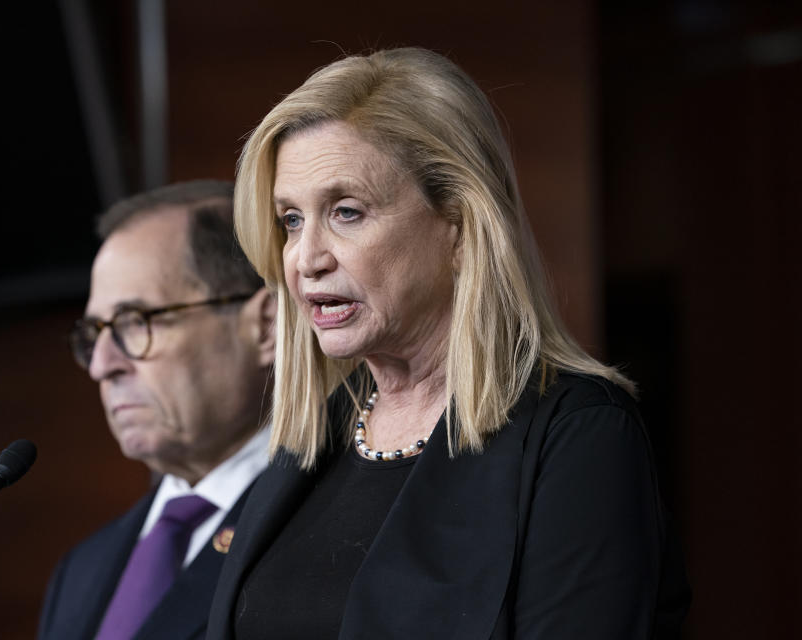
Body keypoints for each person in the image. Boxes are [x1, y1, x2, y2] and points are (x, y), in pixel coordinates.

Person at [206, 49, 690, 639]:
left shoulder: (579, 436)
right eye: (291, 220)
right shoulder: (315, 441)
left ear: (460, 224)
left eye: (347, 212)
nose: (307, 259)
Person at [38, 180, 276, 640]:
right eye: (94, 334)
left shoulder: (334, 526)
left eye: (135, 322)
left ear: (265, 326)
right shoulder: (80, 570)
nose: (102, 366)